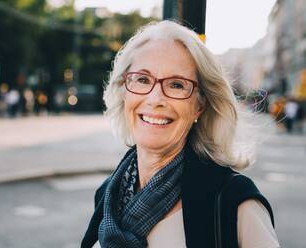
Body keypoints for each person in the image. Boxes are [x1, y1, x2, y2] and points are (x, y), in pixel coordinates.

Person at [81, 21, 280, 248]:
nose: (155, 99)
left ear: (200, 105)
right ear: (123, 90)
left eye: (176, 84)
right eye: (142, 79)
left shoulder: (236, 204)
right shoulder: (108, 194)